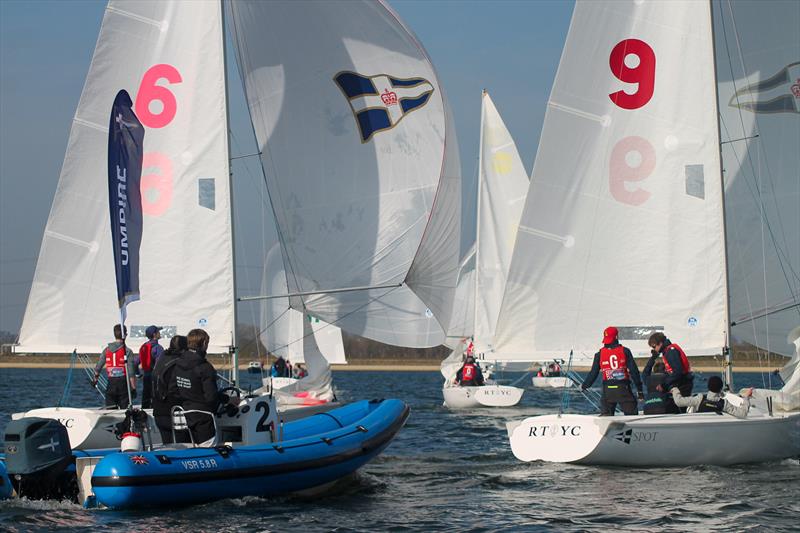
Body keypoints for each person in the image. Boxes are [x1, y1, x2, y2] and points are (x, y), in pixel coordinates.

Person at [174, 329, 239, 444]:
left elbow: (176, 389)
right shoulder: (205, 367)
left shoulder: (178, 363)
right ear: (204, 343)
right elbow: (211, 397)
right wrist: (229, 400)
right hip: (203, 417)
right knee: (208, 449)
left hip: (186, 414)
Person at [581, 326, 644, 416]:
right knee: (631, 416)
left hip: (608, 391)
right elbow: (634, 372)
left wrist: (584, 386)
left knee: (606, 417)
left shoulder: (599, 354)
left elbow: (593, 373)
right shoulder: (625, 351)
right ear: (616, 337)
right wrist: (640, 390)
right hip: (623, 390)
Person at [152, 335, 189, 444]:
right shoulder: (179, 363)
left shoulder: (162, 359)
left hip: (158, 411)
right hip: (173, 412)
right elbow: (178, 390)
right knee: (184, 445)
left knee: (167, 444)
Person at [645, 332, 694, 409]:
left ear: (660, 343)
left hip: (683, 383)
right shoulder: (667, 351)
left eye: (654, 347)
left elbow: (678, 371)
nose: (654, 349)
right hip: (681, 382)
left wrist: (664, 385)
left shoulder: (670, 351)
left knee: (680, 409)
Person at [93, 324, 137, 409]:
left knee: (111, 408)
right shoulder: (127, 351)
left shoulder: (106, 350)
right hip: (123, 384)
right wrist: (133, 388)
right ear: (125, 335)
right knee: (124, 409)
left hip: (111, 383)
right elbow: (131, 373)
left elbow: (98, 367)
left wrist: (95, 380)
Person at [671, 375, 752, 419]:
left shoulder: (699, 398)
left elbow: (679, 402)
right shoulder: (724, 404)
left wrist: (675, 389)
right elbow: (742, 414)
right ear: (720, 388)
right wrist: (746, 398)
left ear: (708, 387)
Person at [137, 325, 165, 409]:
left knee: (146, 396)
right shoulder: (158, 348)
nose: (159, 333)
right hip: (155, 377)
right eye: (158, 332)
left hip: (146, 375)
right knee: (155, 396)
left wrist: (137, 373)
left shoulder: (144, 346)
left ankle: (144, 412)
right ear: (154, 334)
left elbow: (135, 362)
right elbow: (159, 364)